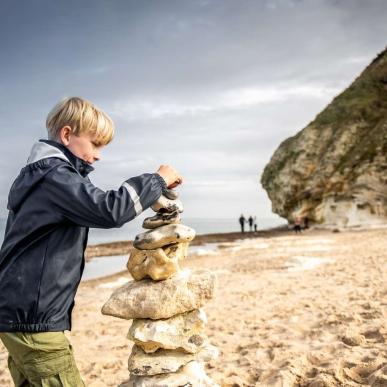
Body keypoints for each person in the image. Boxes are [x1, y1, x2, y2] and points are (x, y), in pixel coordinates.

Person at [0, 97, 182, 386]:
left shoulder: (40, 177)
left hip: (18, 315)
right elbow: (108, 210)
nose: (98, 156)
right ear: (67, 135)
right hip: (31, 319)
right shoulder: (54, 176)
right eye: (95, 144)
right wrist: (156, 180)